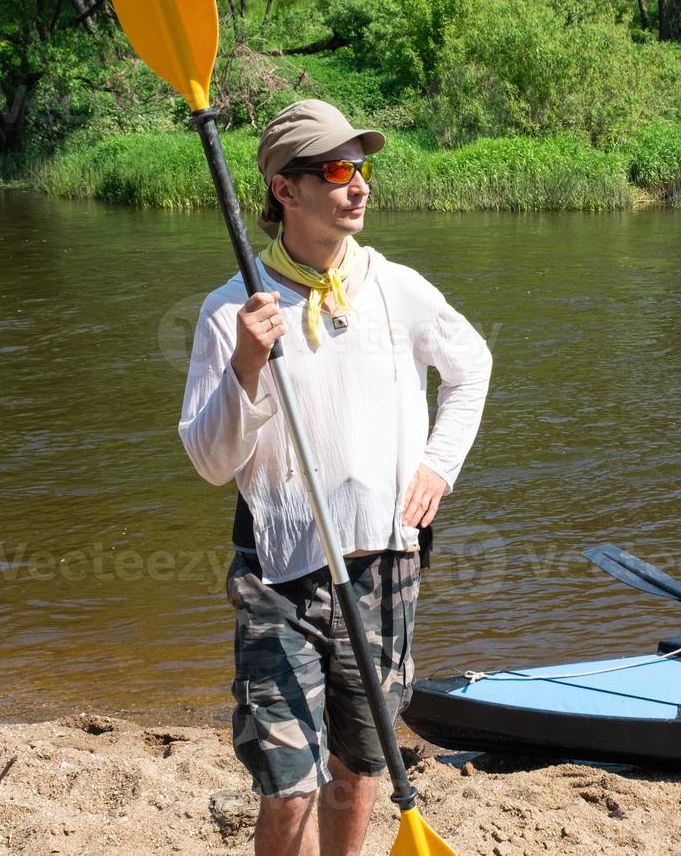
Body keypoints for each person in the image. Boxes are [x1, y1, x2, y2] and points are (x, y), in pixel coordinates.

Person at [179, 99, 492, 856]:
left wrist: (437, 467)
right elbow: (211, 461)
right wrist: (247, 369)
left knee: (358, 768)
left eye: (363, 169)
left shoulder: (396, 287)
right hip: (278, 575)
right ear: (286, 191)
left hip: (386, 561)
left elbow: (472, 367)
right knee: (287, 784)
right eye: (338, 170)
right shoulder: (233, 311)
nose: (360, 187)